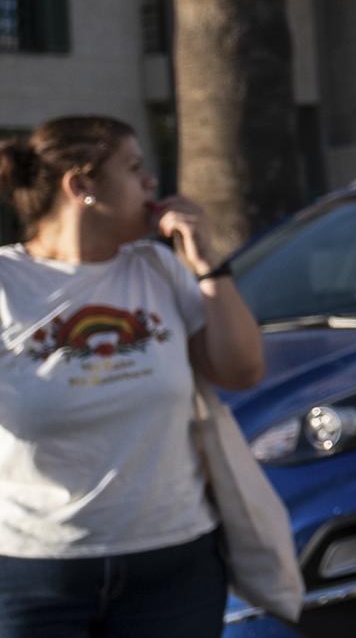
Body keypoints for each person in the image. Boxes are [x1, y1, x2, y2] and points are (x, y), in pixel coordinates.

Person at [0, 116, 265, 636]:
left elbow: (242, 370)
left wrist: (208, 265)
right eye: (135, 168)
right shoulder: (9, 284)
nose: (151, 184)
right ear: (82, 186)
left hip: (171, 569)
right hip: (33, 576)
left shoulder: (158, 269)